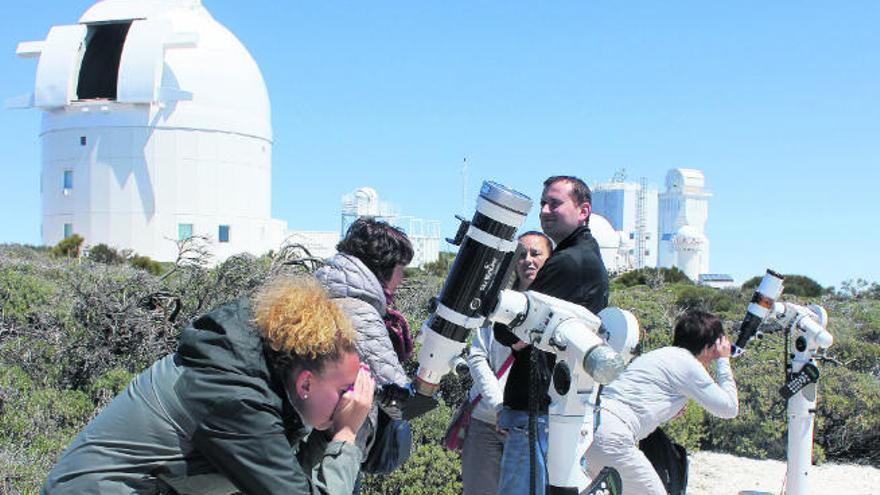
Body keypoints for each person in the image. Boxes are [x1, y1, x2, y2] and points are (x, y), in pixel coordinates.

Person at [43, 276, 375, 494]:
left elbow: (289, 478)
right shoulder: (235, 398)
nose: (354, 401)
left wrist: (328, 434)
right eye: (346, 390)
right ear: (305, 383)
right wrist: (345, 438)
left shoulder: (261, 376)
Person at [494, 175, 609, 494]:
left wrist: (507, 329)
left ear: (583, 210)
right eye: (543, 203)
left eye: (555, 203)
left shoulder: (569, 262)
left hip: (540, 409)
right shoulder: (585, 255)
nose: (544, 210)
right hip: (555, 406)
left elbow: (508, 329)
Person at [586, 310, 739, 495]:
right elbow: (729, 408)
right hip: (613, 438)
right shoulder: (689, 364)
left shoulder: (661, 355)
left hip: (590, 429)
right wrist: (723, 361)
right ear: (709, 347)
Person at [461, 231, 552, 495]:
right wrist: (500, 406)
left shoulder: (555, 307)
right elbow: (477, 355)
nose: (528, 260)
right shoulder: (495, 302)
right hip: (487, 420)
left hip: (531, 423)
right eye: (521, 254)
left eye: (536, 254)